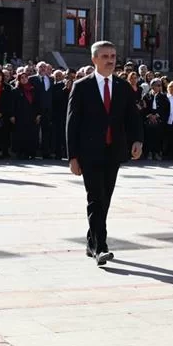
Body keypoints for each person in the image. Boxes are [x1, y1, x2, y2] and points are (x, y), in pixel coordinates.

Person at [66, 41, 144, 267]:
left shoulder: (122, 86)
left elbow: (132, 117)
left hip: (114, 151)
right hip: (89, 152)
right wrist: (73, 157)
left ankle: (92, 241)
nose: (110, 60)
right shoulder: (81, 86)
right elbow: (72, 123)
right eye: (105, 56)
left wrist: (137, 139)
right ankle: (101, 247)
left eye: (113, 56)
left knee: (105, 199)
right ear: (94, 60)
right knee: (96, 199)